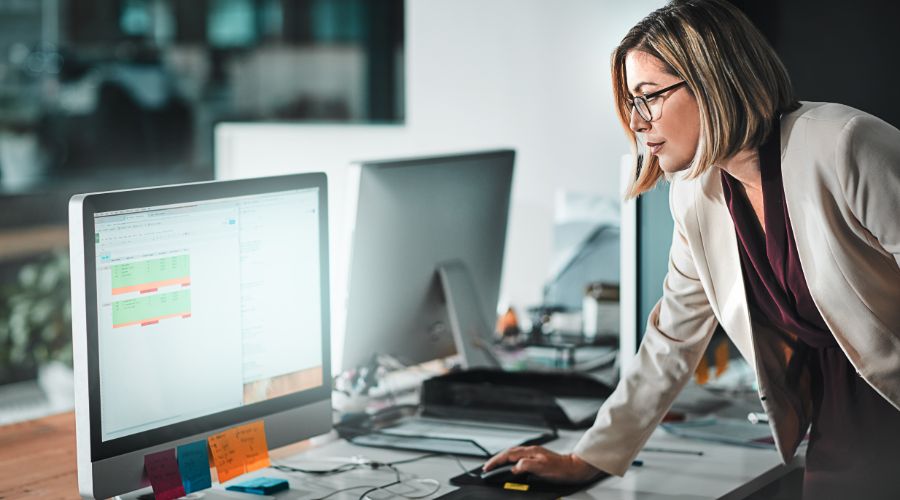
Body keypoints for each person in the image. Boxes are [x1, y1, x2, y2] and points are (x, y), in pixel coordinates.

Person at [483, 0, 900, 497]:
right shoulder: (697, 193)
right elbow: (672, 339)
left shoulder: (845, 144)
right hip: (841, 415)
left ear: (711, 81)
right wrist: (589, 456)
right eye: (631, 104)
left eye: (649, 97)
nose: (637, 123)